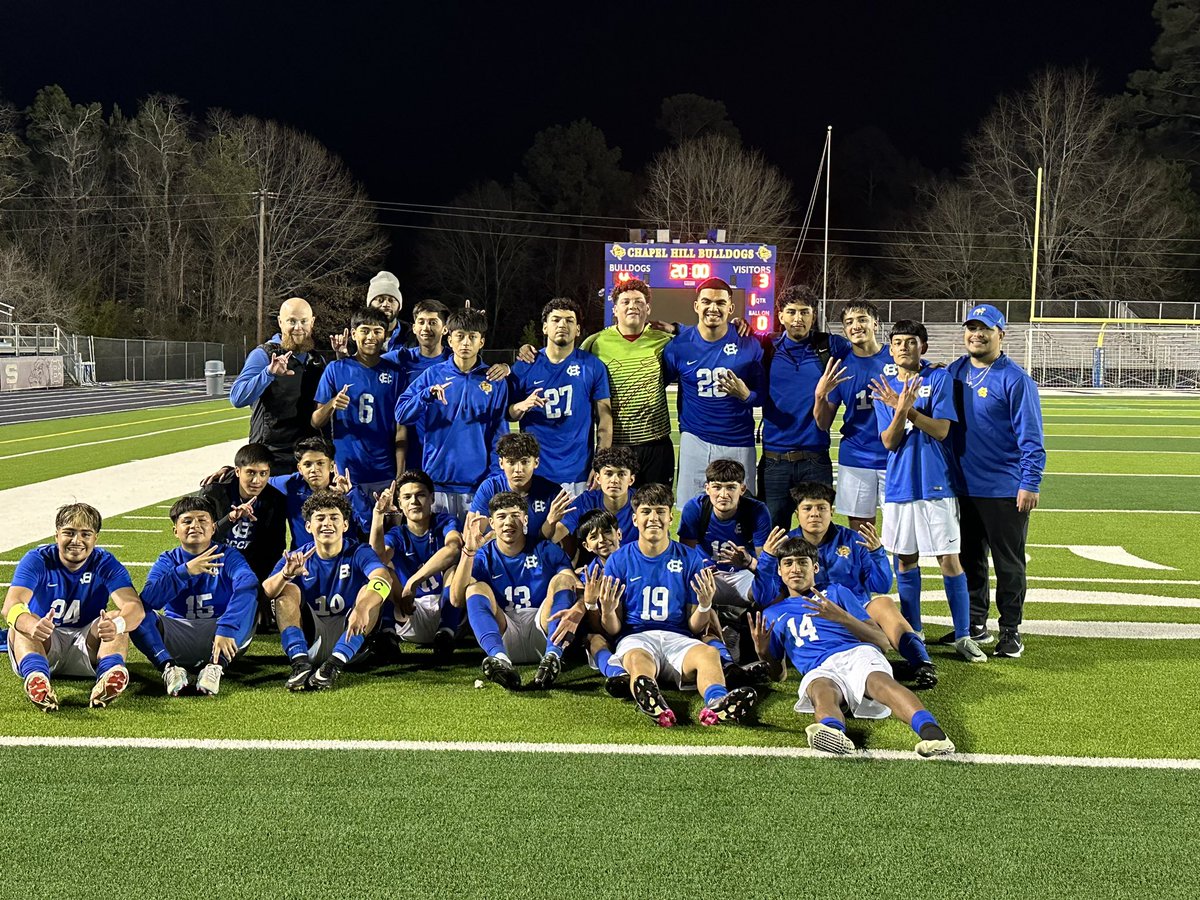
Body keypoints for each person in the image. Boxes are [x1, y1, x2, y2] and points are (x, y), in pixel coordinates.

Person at [748, 537, 955, 757]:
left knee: (880, 683)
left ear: (815, 567)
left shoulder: (837, 592)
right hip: (819, 668)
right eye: (788, 563)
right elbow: (778, 675)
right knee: (821, 690)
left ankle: (934, 735)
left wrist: (842, 617)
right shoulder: (772, 613)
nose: (795, 569)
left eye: (802, 562)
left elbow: (882, 642)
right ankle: (834, 734)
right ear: (779, 571)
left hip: (857, 654)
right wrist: (763, 652)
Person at [870, 320, 985, 663]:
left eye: (911, 341)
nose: (904, 347)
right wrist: (897, 411)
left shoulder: (938, 380)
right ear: (890, 349)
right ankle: (915, 631)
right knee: (905, 559)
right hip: (900, 486)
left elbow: (941, 431)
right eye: (898, 342)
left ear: (924, 347)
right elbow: (889, 442)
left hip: (937, 484)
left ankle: (963, 635)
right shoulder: (883, 387)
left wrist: (907, 410)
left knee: (949, 559)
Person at [598, 483, 759, 727]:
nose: (654, 518)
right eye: (646, 511)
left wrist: (705, 605)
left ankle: (717, 703)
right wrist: (608, 611)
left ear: (670, 517)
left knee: (708, 654)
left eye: (660, 511)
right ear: (634, 518)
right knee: (638, 659)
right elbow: (612, 630)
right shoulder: (619, 560)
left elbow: (695, 627)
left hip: (679, 637)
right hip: (637, 637)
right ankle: (652, 700)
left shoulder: (690, 557)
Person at [948, 303, 1045, 658]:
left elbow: (1031, 438)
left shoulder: (1015, 379)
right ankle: (975, 624)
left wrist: (1029, 482)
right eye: (971, 328)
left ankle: (1010, 630)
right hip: (961, 486)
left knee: (1008, 563)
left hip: (1004, 488)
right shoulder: (955, 371)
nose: (976, 334)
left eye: (985, 329)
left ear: (1000, 334)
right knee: (969, 559)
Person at [785, 482, 935, 687]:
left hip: (857, 610)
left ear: (832, 512)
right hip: (813, 614)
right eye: (807, 508)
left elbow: (881, 585)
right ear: (797, 513)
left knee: (883, 603)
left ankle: (922, 663)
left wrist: (877, 553)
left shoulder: (853, 540)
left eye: (821, 508)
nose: (814, 514)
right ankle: (879, 666)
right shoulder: (787, 544)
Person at [2, 503, 146, 711]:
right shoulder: (38, 559)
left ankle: (110, 673)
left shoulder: (105, 562)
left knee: (116, 618)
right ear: (56, 536)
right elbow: (11, 605)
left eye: (85, 534)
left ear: (95, 538)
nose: (76, 541)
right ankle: (37, 677)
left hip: (88, 644)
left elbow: (134, 607)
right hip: (45, 642)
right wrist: (32, 625)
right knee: (23, 619)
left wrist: (118, 625)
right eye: (69, 533)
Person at [394, 308, 520, 521]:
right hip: (437, 483)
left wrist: (494, 480)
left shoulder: (494, 380)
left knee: (473, 550)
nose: (465, 343)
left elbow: (499, 437)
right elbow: (402, 414)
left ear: (481, 342)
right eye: (460, 336)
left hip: (478, 487)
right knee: (444, 550)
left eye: (472, 337)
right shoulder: (433, 375)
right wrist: (426, 396)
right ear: (449, 339)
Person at [262, 490, 392, 691]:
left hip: (352, 637)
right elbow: (267, 591)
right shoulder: (297, 556)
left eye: (334, 518)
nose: (327, 523)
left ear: (345, 525)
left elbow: (383, 577)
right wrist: (285, 575)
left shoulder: (358, 551)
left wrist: (363, 608)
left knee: (370, 592)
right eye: (320, 518)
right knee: (286, 591)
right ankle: (300, 664)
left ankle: (333, 666)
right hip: (310, 638)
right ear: (308, 526)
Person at [451, 492, 579, 690]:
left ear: (525, 520)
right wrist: (468, 551)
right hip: (504, 633)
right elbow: (456, 600)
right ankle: (499, 659)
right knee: (476, 588)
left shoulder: (545, 548)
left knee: (563, 579)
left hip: (544, 629)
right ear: (492, 523)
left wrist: (584, 597)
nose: (508, 522)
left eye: (515, 516)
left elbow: (573, 584)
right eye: (501, 517)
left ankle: (553, 657)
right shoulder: (483, 555)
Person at [133, 495, 258, 697]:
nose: (195, 526)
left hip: (220, 634)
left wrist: (227, 627)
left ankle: (215, 667)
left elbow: (248, 585)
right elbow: (148, 599)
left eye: (202, 520)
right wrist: (185, 571)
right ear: (176, 530)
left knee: (251, 601)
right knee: (136, 612)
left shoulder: (229, 555)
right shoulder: (168, 559)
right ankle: (169, 668)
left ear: (213, 527)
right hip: (178, 632)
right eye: (187, 521)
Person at [758, 285, 851, 530]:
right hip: (774, 460)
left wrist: (923, 366)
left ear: (814, 315)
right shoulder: (767, 347)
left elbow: (871, 354)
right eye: (791, 312)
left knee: (818, 532)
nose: (798, 318)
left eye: (804, 311)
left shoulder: (831, 346)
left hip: (815, 459)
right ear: (780, 316)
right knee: (773, 534)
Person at [663, 278, 764, 500]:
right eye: (707, 302)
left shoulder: (748, 343)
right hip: (695, 440)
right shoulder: (677, 347)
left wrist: (746, 395)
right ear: (696, 305)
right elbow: (658, 385)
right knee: (692, 513)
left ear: (731, 307)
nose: (713, 308)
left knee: (742, 513)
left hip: (738, 440)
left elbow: (762, 395)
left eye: (720, 303)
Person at [313, 306, 407, 529]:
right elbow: (316, 421)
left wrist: (399, 475)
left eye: (377, 331)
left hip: (383, 472)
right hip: (346, 474)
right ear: (353, 333)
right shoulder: (336, 369)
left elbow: (401, 429)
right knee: (345, 537)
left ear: (386, 335)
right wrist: (332, 404)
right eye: (365, 330)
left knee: (384, 540)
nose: (371, 337)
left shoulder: (396, 373)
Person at [508, 298, 612, 495]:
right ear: (545, 327)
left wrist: (601, 464)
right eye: (556, 320)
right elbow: (508, 414)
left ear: (578, 330)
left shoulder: (593, 366)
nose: (563, 325)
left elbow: (605, 421)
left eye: (569, 320)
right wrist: (523, 406)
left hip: (579, 474)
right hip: (535, 473)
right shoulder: (525, 365)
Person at [579, 279, 675, 486]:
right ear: (615, 309)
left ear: (648, 308)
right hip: (616, 446)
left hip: (656, 445)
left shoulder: (664, 341)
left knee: (655, 510)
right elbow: (565, 364)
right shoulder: (595, 343)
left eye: (639, 302)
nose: (633, 306)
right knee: (617, 513)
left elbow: (700, 344)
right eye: (625, 302)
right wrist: (529, 352)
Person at [813, 300, 892, 531]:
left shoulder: (896, 357)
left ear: (876, 324)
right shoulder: (840, 366)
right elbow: (824, 422)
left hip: (895, 458)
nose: (856, 326)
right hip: (856, 457)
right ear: (845, 330)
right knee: (860, 536)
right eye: (849, 322)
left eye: (862, 319)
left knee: (902, 535)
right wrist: (820, 396)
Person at [230, 297, 330, 475]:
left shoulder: (316, 360)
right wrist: (268, 373)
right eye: (292, 321)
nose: (298, 327)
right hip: (270, 458)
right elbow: (237, 398)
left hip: (306, 459)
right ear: (280, 322)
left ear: (312, 322)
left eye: (303, 321)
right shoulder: (264, 354)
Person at [369, 470, 464, 658]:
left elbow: (453, 548)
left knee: (455, 570)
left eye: (420, 495)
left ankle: (446, 634)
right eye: (407, 497)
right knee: (383, 573)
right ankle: (388, 634)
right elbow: (376, 559)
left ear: (431, 498)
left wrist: (413, 581)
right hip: (409, 610)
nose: (414, 501)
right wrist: (378, 515)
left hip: (446, 608)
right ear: (400, 503)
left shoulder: (445, 522)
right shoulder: (397, 534)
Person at [199, 442, 288, 629]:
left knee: (255, 623)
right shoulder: (214, 493)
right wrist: (229, 519)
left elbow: (273, 549)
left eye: (263, 474)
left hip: (249, 570)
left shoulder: (275, 500)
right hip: (214, 564)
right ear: (238, 472)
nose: (257, 480)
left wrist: (263, 593)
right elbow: (201, 539)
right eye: (251, 473)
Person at [545, 446, 639, 556]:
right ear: (598, 478)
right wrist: (550, 521)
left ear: (631, 479)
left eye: (621, 474)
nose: (614, 480)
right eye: (608, 474)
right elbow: (552, 538)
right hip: (595, 567)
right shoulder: (585, 502)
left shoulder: (642, 503)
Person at [469, 433, 563, 539]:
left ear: (536, 462)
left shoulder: (553, 493)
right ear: (501, 463)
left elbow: (567, 540)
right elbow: (471, 535)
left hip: (539, 552)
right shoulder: (489, 488)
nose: (518, 469)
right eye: (511, 462)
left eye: (524, 462)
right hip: (501, 552)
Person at [269, 436, 339, 550]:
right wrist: (233, 473)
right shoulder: (290, 484)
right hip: (302, 560)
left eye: (320, 463)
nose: (314, 469)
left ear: (331, 466)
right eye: (307, 464)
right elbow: (259, 480)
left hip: (342, 560)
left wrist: (351, 495)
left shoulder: (345, 487)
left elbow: (366, 525)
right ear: (300, 468)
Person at [365, 270, 404, 352]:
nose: (386, 304)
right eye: (380, 300)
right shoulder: (356, 340)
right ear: (370, 305)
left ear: (399, 306)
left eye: (391, 300)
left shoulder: (414, 337)